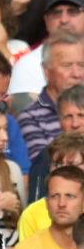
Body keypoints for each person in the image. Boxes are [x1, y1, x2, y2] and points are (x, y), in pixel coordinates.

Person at [11, 0, 84, 100]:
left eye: (73, 11)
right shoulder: (28, 66)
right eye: (56, 13)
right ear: (46, 20)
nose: (64, 20)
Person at [19, 32, 84, 162]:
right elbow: (45, 168)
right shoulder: (31, 117)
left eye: (81, 65)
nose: (76, 74)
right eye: (67, 65)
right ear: (46, 71)